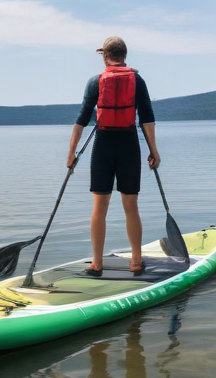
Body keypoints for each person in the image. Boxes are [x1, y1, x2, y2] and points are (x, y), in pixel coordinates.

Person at [66, 36, 161, 277]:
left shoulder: (95, 82)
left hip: (103, 145)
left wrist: (71, 154)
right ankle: (136, 262)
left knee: (100, 206)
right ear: (125, 55)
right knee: (131, 204)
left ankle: (96, 264)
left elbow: (81, 121)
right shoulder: (137, 80)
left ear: (104, 56)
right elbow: (147, 119)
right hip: (129, 144)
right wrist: (153, 150)